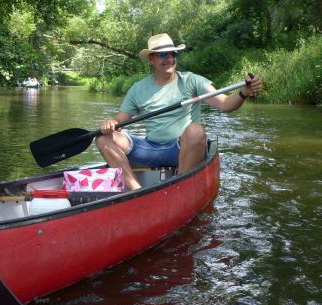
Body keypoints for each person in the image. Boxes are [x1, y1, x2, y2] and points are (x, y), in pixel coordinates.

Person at [95, 33, 262, 190]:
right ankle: (135, 190)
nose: (170, 59)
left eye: (173, 54)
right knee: (103, 139)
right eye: (163, 55)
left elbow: (226, 104)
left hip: (182, 149)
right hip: (149, 149)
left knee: (196, 130)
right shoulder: (138, 88)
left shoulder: (192, 80)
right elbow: (120, 119)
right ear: (151, 58)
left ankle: (179, 186)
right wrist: (112, 123)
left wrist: (244, 93)